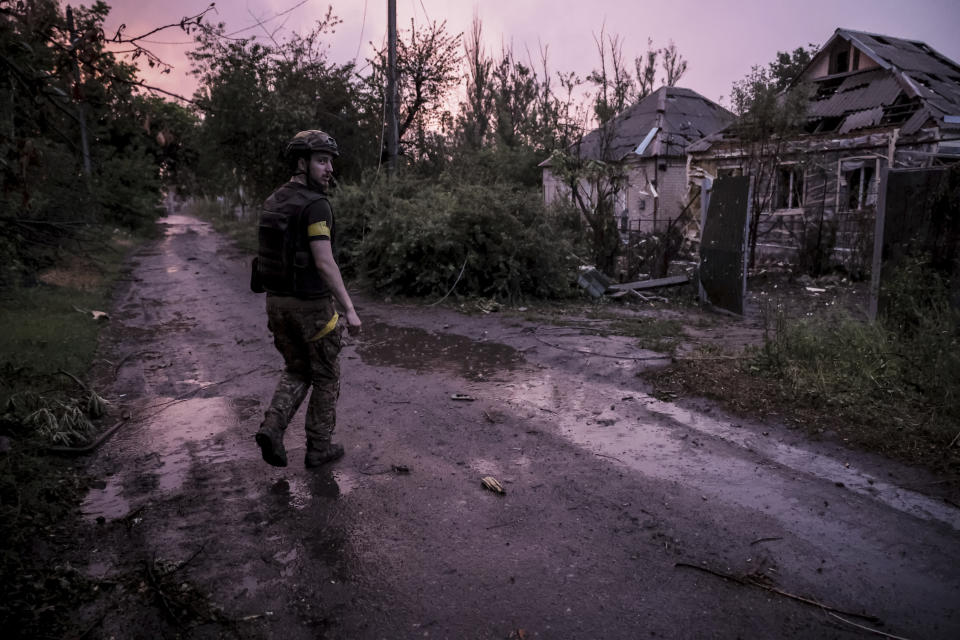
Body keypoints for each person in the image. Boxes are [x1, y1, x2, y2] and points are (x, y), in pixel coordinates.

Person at [253, 129, 361, 469]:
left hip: (276, 306)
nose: (329, 169)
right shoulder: (316, 206)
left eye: (330, 162)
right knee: (326, 375)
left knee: (297, 369)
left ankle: (272, 427)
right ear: (302, 163)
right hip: (312, 309)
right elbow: (324, 261)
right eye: (321, 161)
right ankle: (318, 448)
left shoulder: (274, 200)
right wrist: (350, 309)